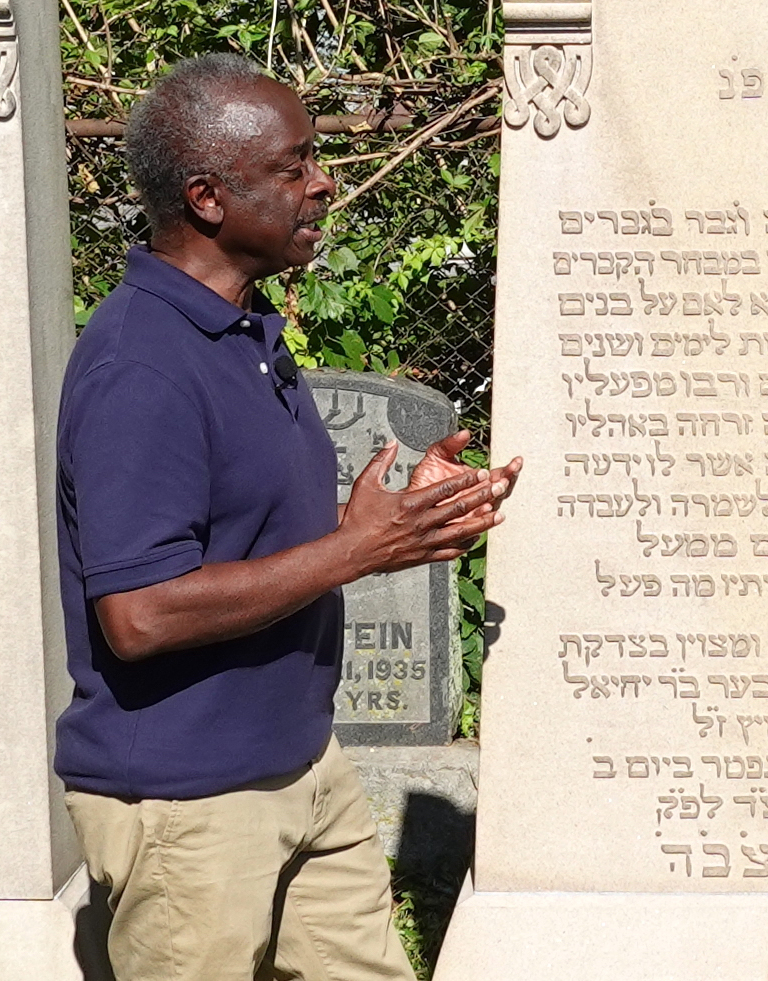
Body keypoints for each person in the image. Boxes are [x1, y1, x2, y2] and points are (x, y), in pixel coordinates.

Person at [53, 53, 520, 981]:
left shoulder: (244, 335)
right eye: (294, 166)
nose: (323, 182)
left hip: (306, 769)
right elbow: (139, 614)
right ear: (208, 196)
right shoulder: (140, 368)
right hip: (190, 810)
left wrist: (388, 529)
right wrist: (353, 551)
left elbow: (258, 549)